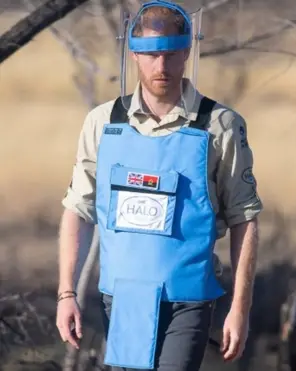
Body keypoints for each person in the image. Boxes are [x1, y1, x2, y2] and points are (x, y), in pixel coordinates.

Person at [54, 1, 263, 370]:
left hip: (188, 300)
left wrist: (239, 309)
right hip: (121, 298)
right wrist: (66, 293)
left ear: (186, 51)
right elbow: (77, 209)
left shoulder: (220, 125)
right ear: (134, 54)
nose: (161, 66)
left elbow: (244, 219)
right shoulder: (103, 123)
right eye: (151, 55)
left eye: (170, 54)